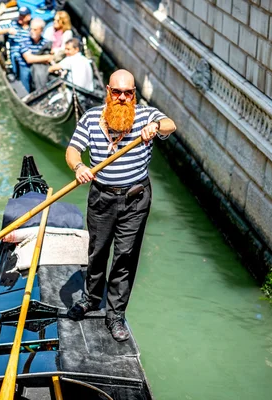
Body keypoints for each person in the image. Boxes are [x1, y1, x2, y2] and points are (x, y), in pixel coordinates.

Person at [65, 69, 177, 342]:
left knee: (125, 256)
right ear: (108, 91)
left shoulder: (146, 115)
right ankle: (91, 299)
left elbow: (170, 125)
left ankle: (115, 315)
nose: (124, 98)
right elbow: (72, 150)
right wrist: (79, 166)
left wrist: (156, 127)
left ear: (134, 94)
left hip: (135, 199)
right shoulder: (92, 118)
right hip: (102, 197)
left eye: (129, 93)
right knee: (98, 251)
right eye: (118, 92)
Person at [0, 6, 32, 76]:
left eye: (23, 16)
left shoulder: (33, 27)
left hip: (28, 52)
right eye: (20, 15)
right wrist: (7, 30)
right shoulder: (13, 24)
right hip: (15, 53)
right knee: (17, 56)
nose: (20, 18)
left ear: (28, 17)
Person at [18, 18, 53, 92]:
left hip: (40, 69)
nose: (32, 32)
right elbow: (29, 59)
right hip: (26, 68)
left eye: (35, 30)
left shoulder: (46, 42)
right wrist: (46, 57)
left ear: (41, 30)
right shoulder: (24, 40)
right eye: (31, 29)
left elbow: (51, 58)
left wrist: (38, 58)